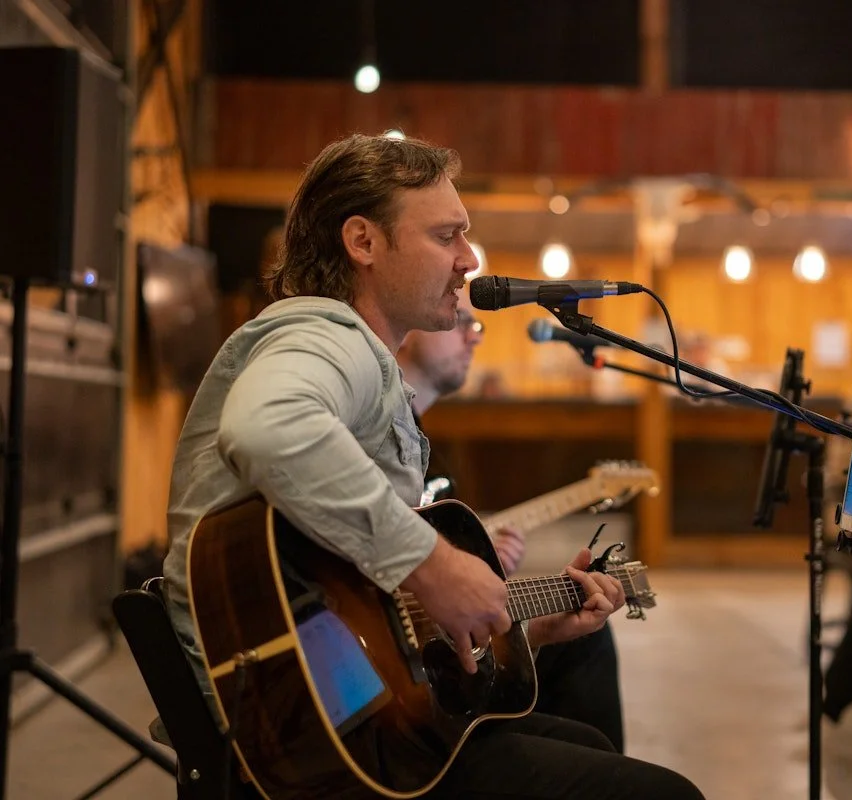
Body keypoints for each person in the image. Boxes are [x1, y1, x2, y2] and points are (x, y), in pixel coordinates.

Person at [161, 133, 704, 800]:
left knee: (587, 748)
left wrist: (523, 626)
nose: (469, 260)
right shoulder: (326, 337)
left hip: (328, 713)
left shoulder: (358, 356)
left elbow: (372, 613)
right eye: (447, 235)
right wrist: (435, 562)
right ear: (362, 242)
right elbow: (269, 426)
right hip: (307, 734)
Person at [396, 304, 627, 752]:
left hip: (444, 651)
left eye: (476, 325)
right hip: (403, 687)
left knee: (583, 643)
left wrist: (513, 608)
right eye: (458, 320)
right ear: (405, 331)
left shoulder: (431, 457)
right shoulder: (376, 432)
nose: (474, 336)